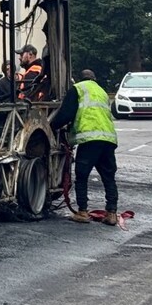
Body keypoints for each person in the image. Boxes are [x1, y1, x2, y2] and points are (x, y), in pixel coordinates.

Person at [50, 69, 119, 225]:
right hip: (108, 139)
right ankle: (112, 213)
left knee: (82, 175)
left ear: (79, 79)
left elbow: (66, 114)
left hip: (89, 139)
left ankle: (82, 212)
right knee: (109, 177)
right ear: (93, 79)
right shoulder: (102, 92)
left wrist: (51, 126)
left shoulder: (77, 89)